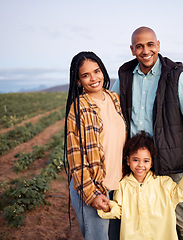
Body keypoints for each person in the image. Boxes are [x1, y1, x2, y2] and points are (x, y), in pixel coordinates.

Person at [111, 26, 183, 240]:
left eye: (150, 44)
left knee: (181, 221)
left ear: (158, 45)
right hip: (137, 162)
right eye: (139, 46)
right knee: (135, 218)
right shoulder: (125, 75)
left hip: (169, 160)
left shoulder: (176, 76)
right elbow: (110, 111)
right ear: (132, 49)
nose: (145, 50)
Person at [64, 51, 126, 240]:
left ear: (103, 72)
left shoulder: (114, 99)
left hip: (118, 187)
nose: (93, 78)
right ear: (78, 81)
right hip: (93, 187)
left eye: (96, 71)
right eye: (85, 75)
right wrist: (92, 195)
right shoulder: (78, 108)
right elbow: (76, 159)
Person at [98, 131, 183, 240]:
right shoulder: (123, 185)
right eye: (135, 160)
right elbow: (119, 210)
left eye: (146, 161)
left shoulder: (163, 183)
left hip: (161, 235)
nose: (140, 165)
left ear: (151, 163)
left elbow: (179, 195)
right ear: (128, 160)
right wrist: (108, 208)